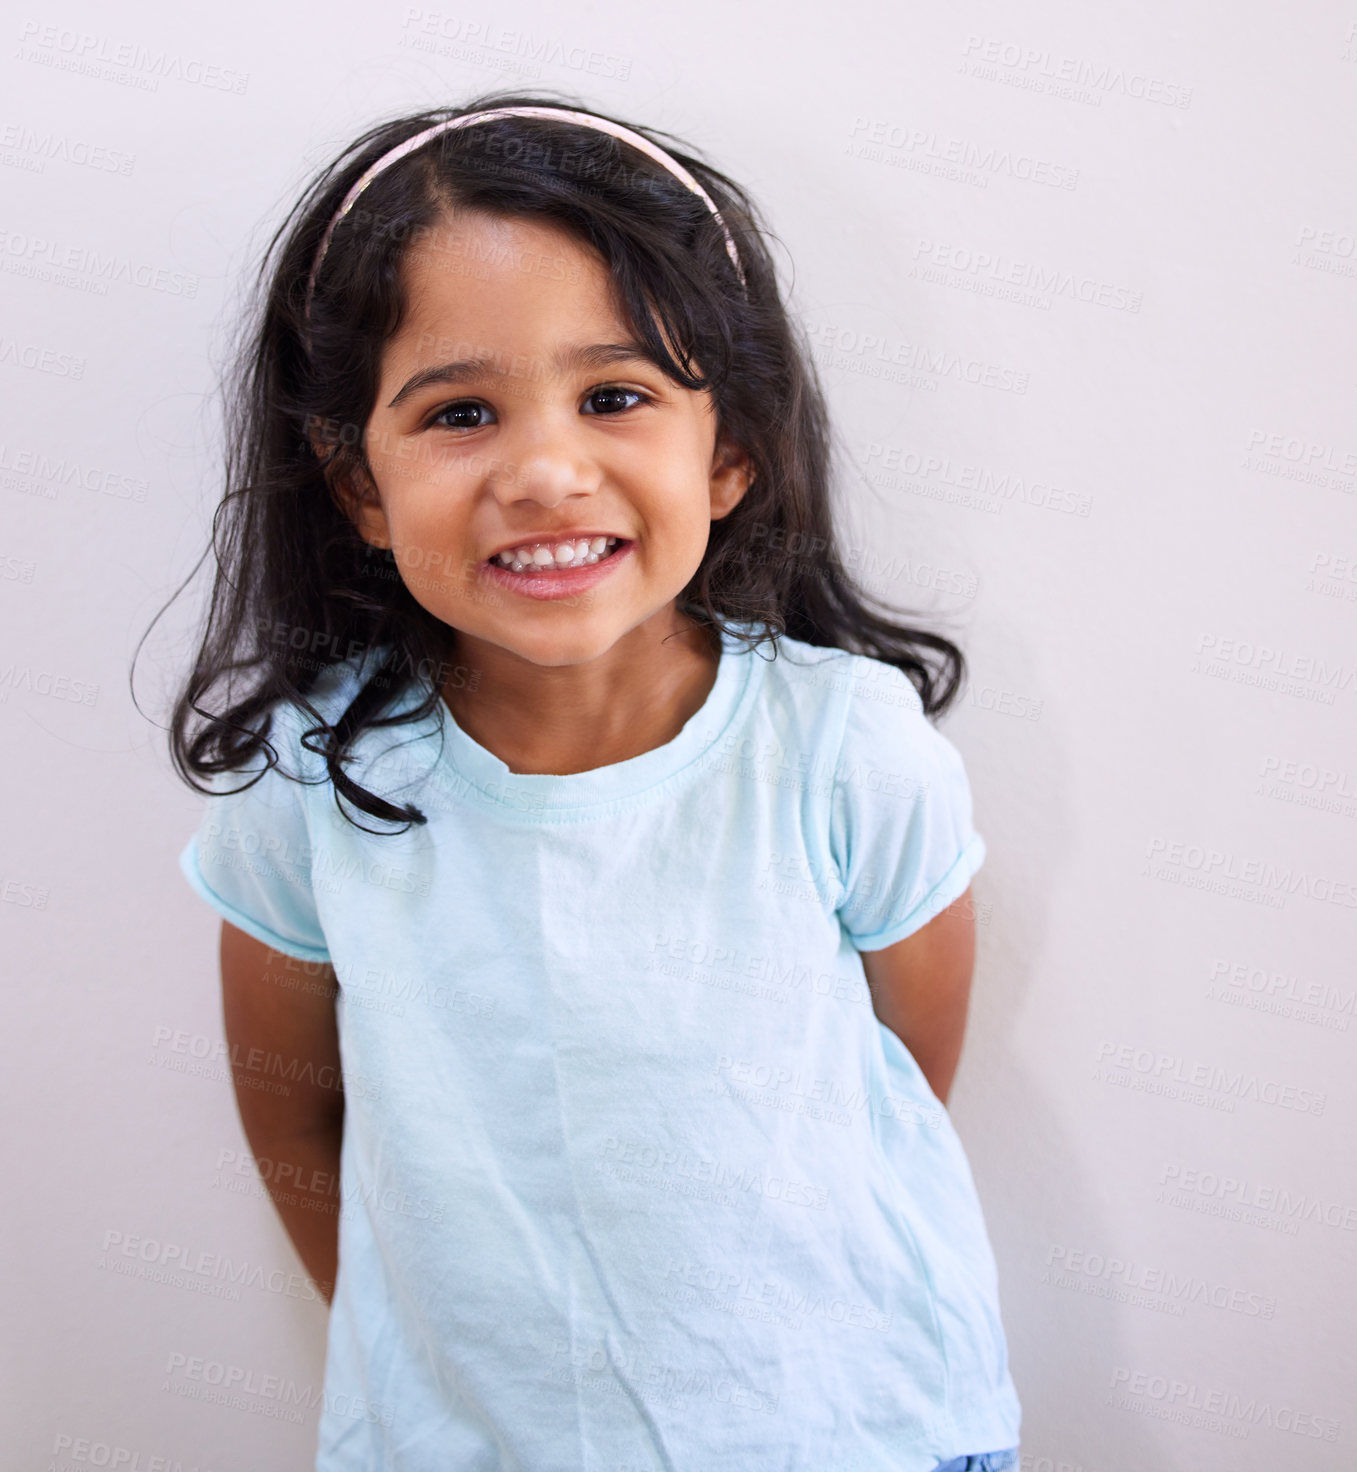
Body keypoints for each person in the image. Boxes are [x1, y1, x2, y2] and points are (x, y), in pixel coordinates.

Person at [161, 89, 1022, 1471]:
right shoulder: (310, 785)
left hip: (857, 1429)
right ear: (356, 486)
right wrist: (443, 1371)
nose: (546, 471)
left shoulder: (844, 748)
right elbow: (293, 1105)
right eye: (460, 413)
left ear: (728, 446)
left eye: (614, 396)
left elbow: (901, 1071)